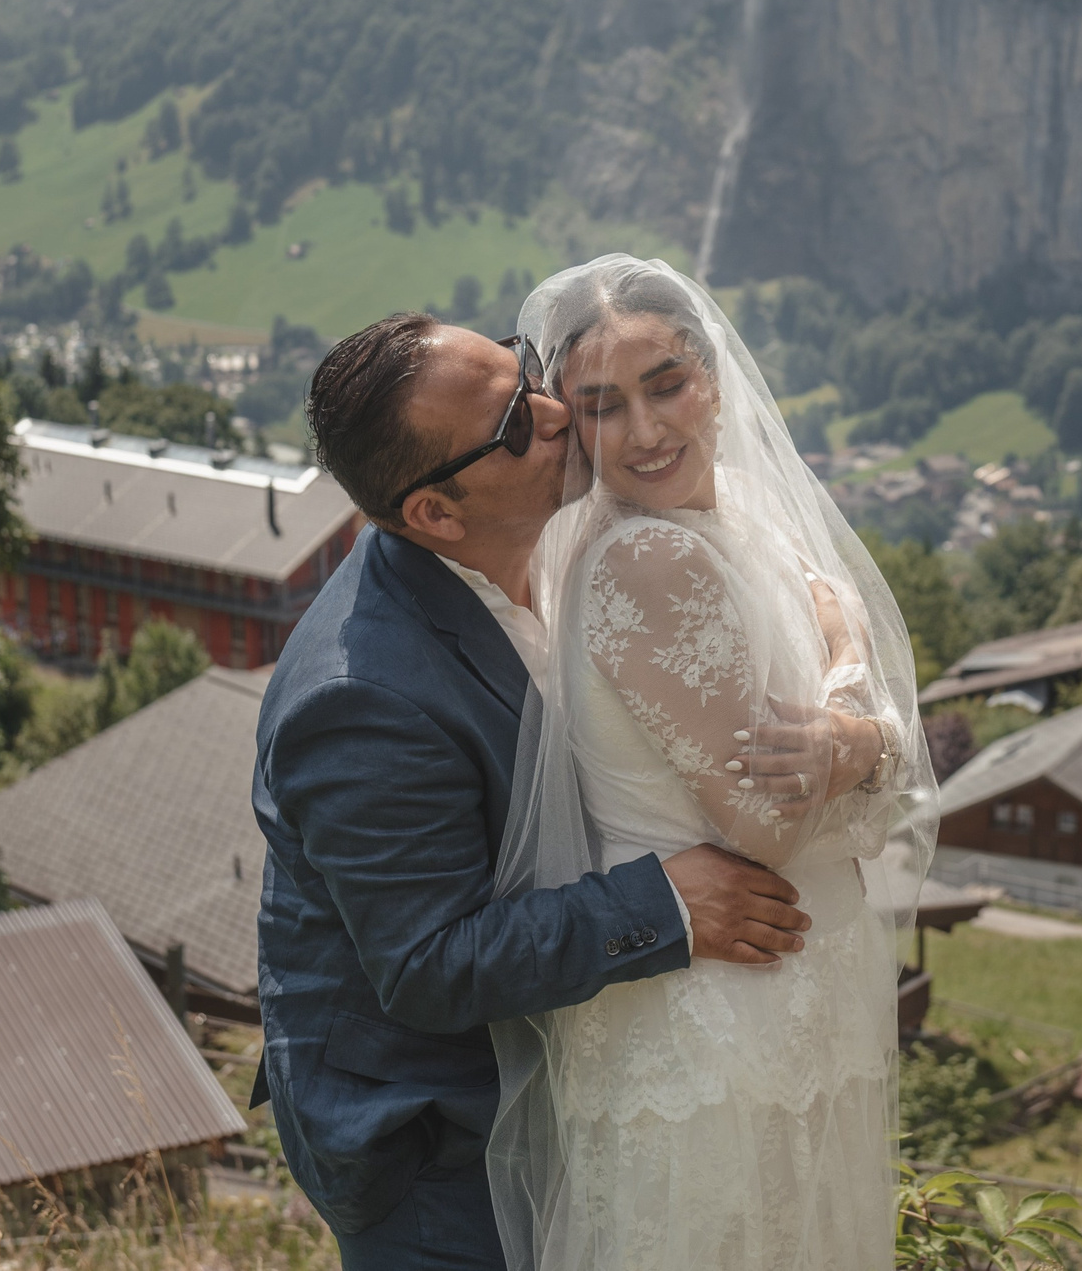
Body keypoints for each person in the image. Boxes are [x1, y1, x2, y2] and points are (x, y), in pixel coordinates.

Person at [254, 314, 821, 1270]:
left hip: (566, 1073)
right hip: (434, 1145)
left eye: (524, 373)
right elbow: (430, 963)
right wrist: (667, 904)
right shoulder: (361, 702)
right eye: (518, 422)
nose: (562, 412)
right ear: (435, 512)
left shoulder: (539, 541)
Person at [487, 255, 936, 1271]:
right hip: (720, 1018)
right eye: (602, 406)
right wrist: (852, 678)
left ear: (716, 379)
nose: (646, 431)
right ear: (571, 424)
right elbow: (765, 821)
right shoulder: (651, 559)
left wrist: (846, 731)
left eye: (667, 384)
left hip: (772, 999)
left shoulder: (730, 511)